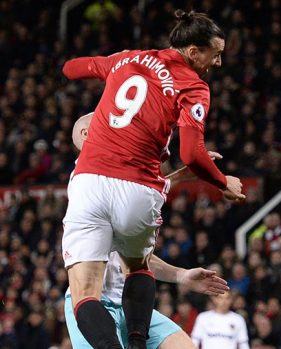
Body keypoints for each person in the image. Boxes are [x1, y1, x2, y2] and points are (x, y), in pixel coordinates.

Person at [61, 9, 245, 349]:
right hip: (139, 187)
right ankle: (136, 341)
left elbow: (73, 68)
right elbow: (192, 152)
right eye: (215, 55)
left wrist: (97, 66)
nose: (217, 63)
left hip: (89, 182)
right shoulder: (193, 85)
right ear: (193, 53)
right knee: (138, 265)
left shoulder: (128, 58)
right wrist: (222, 183)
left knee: (84, 295)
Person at [65, 113, 229, 348]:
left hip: (130, 304)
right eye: (105, 126)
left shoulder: (114, 180)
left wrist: (182, 275)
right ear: (86, 135)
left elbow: (136, 258)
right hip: (95, 306)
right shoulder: (85, 182)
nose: (116, 130)